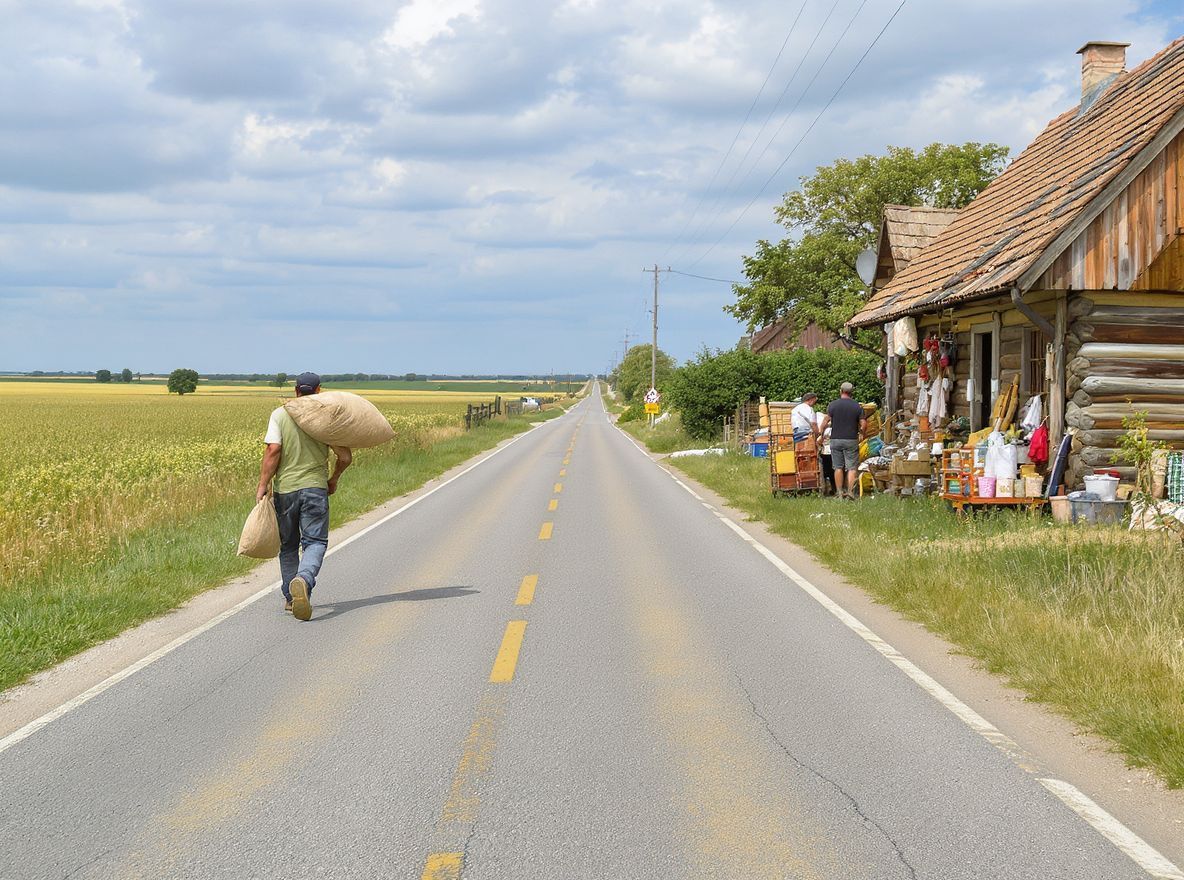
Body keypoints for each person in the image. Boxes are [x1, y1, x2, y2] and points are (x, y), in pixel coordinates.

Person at [255, 372, 352, 621]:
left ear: (296, 390)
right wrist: (333, 479)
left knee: (288, 546)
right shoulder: (325, 418)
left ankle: (291, 598)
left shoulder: (279, 415)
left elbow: (273, 450)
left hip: (285, 491)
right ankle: (304, 580)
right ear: (318, 390)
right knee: (315, 542)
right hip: (316, 489)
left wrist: (263, 484)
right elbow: (345, 457)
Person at [820, 382, 867, 500]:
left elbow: (825, 422)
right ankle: (850, 492)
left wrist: (821, 434)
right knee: (851, 468)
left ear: (840, 391)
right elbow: (863, 424)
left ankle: (840, 492)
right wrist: (862, 433)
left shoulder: (833, 405)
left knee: (838, 467)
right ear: (852, 392)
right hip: (851, 439)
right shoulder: (857, 406)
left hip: (835, 440)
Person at [815, 410, 835, 495]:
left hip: (826, 452)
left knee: (828, 471)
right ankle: (832, 488)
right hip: (831, 451)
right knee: (831, 471)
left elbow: (819, 441)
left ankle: (829, 488)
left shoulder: (826, 429)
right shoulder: (831, 428)